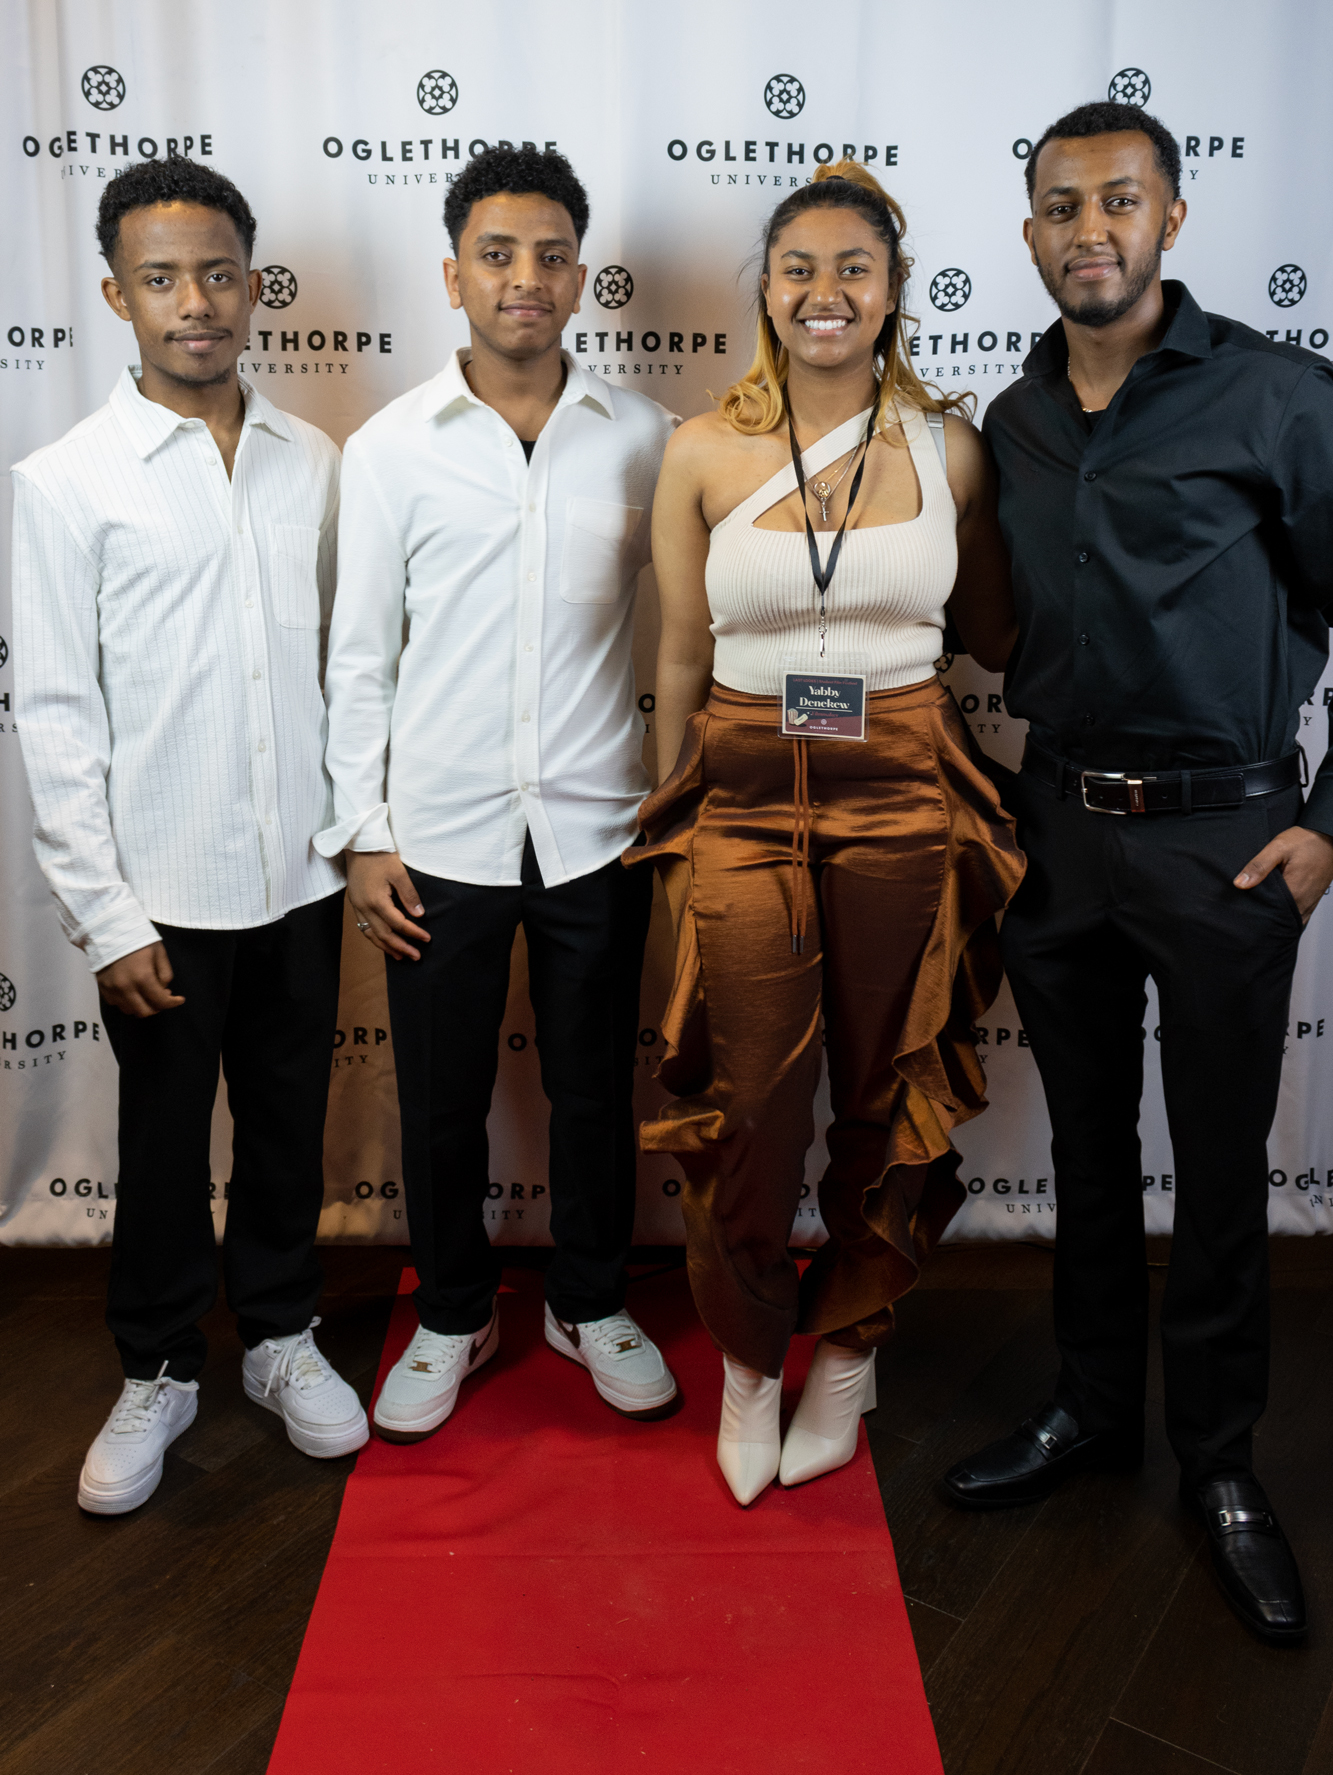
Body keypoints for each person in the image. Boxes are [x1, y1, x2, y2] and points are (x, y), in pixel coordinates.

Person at [942, 100, 1333, 1646]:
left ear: (1170, 217)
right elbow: (984, 623)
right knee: (1086, 1150)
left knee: (1221, 1166)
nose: (1086, 229)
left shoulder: (1277, 397)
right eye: (1059, 206)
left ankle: (1219, 1463)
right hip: (1058, 829)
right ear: (1027, 232)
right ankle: (1092, 1408)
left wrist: (1327, 823)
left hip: (1226, 840)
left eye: (1117, 200)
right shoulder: (1009, 419)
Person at [634, 159, 1025, 1506]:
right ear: (766, 290)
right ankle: (751, 1360)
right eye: (798, 267)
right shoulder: (698, 449)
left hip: (903, 784)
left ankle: (848, 1353)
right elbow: (679, 652)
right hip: (743, 794)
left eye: (854, 268)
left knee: (884, 1085)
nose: (825, 291)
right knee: (748, 1104)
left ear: (893, 290)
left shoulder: (951, 448)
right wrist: (668, 820)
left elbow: (997, 632)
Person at [12, 159, 368, 1517]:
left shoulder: (312, 462)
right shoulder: (66, 482)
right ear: (119, 297)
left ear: (254, 286)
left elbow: (345, 673)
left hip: (301, 879)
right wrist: (107, 918)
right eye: (161, 279)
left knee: (286, 1127)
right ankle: (157, 1364)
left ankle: (279, 1334)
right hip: (158, 895)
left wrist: (354, 839)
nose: (195, 302)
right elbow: (55, 713)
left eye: (217, 274)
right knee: (164, 1146)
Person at [317, 146, 678, 1439]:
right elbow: (359, 656)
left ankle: (590, 1301)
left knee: (593, 1091)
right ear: (453, 274)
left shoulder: (647, 439)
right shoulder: (390, 449)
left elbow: (693, 632)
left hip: (598, 827)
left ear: (581, 277)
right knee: (440, 1098)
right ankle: (455, 1313)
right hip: (438, 836)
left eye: (549, 255)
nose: (524, 278)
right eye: (496, 254)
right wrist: (365, 833)